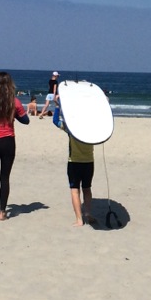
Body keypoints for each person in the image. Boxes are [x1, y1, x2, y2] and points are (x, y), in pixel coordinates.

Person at [0, 72, 30, 221]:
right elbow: (26, 120)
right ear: (10, 85)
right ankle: (2, 212)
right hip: (8, 141)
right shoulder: (14, 102)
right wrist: (15, 114)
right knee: (5, 177)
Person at [53, 96, 97, 226]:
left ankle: (79, 219)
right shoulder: (93, 126)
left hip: (74, 162)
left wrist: (57, 105)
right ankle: (88, 214)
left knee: (74, 190)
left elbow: (56, 121)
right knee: (87, 189)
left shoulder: (70, 126)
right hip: (89, 162)